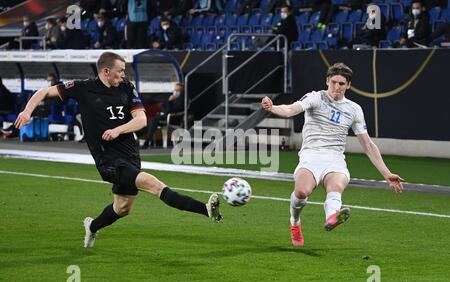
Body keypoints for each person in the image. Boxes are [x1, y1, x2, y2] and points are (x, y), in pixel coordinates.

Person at [15, 51, 222, 249]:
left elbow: (141, 120)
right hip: (107, 159)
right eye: (120, 70)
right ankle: (205, 209)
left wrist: (117, 130)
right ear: (106, 71)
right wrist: (26, 111)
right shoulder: (82, 88)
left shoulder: (126, 88)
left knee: (123, 208)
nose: (123, 74)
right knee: (154, 184)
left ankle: (92, 226)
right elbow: (43, 92)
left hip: (130, 154)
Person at [260, 62, 404, 247]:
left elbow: (367, 144)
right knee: (302, 192)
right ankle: (295, 222)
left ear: (348, 85)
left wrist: (386, 173)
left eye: (342, 84)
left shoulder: (354, 109)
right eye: (334, 82)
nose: (337, 87)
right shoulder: (315, 97)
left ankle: (332, 218)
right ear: (327, 80)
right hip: (311, 155)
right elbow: (291, 109)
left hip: (335, 159)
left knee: (335, 187)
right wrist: (272, 107)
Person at [141, 82, 184, 149]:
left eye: (178, 91)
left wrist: (170, 102)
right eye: (175, 90)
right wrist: (168, 105)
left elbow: (172, 110)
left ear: (182, 91)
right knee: (153, 121)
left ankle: (147, 141)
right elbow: (164, 108)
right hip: (164, 117)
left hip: (174, 118)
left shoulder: (182, 100)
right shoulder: (171, 97)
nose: (175, 92)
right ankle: (146, 140)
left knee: (154, 120)